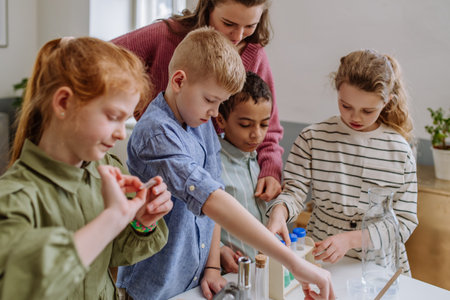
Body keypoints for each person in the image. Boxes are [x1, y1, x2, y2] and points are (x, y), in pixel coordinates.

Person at [116, 27, 334, 300]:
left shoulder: (200, 120)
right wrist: (293, 262)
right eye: (210, 100)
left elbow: (213, 193)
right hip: (154, 287)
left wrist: (211, 266)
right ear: (179, 81)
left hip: (191, 280)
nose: (215, 112)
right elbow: (212, 199)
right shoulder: (156, 133)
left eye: (221, 103)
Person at [0, 37, 173, 299]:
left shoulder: (105, 172)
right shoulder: (13, 198)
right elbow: (23, 286)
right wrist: (112, 218)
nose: (120, 135)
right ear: (63, 103)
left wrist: (141, 222)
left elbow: (111, 254)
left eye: (125, 120)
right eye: (113, 117)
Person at [112, 0, 283, 202]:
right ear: (209, 7)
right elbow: (102, 61)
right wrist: (135, 102)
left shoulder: (254, 54)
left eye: (250, 26)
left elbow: (267, 122)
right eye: (228, 24)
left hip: (212, 166)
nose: (237, 36)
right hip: (163, 165)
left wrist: (270, 168)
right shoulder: (166, 35)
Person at [266, 49, 418, 276]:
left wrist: (351, 240)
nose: (355, 117)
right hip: (321, 257)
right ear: (337, 93)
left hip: (378, 267)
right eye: (346, 106)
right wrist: (279, 213)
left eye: (368, 110)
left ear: (387, 101)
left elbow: (404, 221)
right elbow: (294, 191)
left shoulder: (399, 151)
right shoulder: (313, 138)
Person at [216, 71, 273, 273]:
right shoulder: (213, 163)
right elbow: (197, 222)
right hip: (230, 273)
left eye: (264, 124)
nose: (256, 134)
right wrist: (218, 251)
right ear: (221, 120)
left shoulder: (261, 161)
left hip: (265, 269)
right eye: (245, 125)